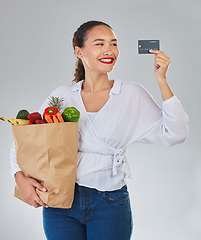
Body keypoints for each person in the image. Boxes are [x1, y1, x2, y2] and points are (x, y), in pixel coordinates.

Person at [10, 20, 189, 240]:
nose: (109, 50)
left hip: (110, 203)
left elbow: (176, 133)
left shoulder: (131, 93)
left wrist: (162, 81)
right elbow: (27, 139)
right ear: (79, 51)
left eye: (113, 44)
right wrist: (19, 176)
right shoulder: (63, 95)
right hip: (60, 201)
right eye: (99, 44)